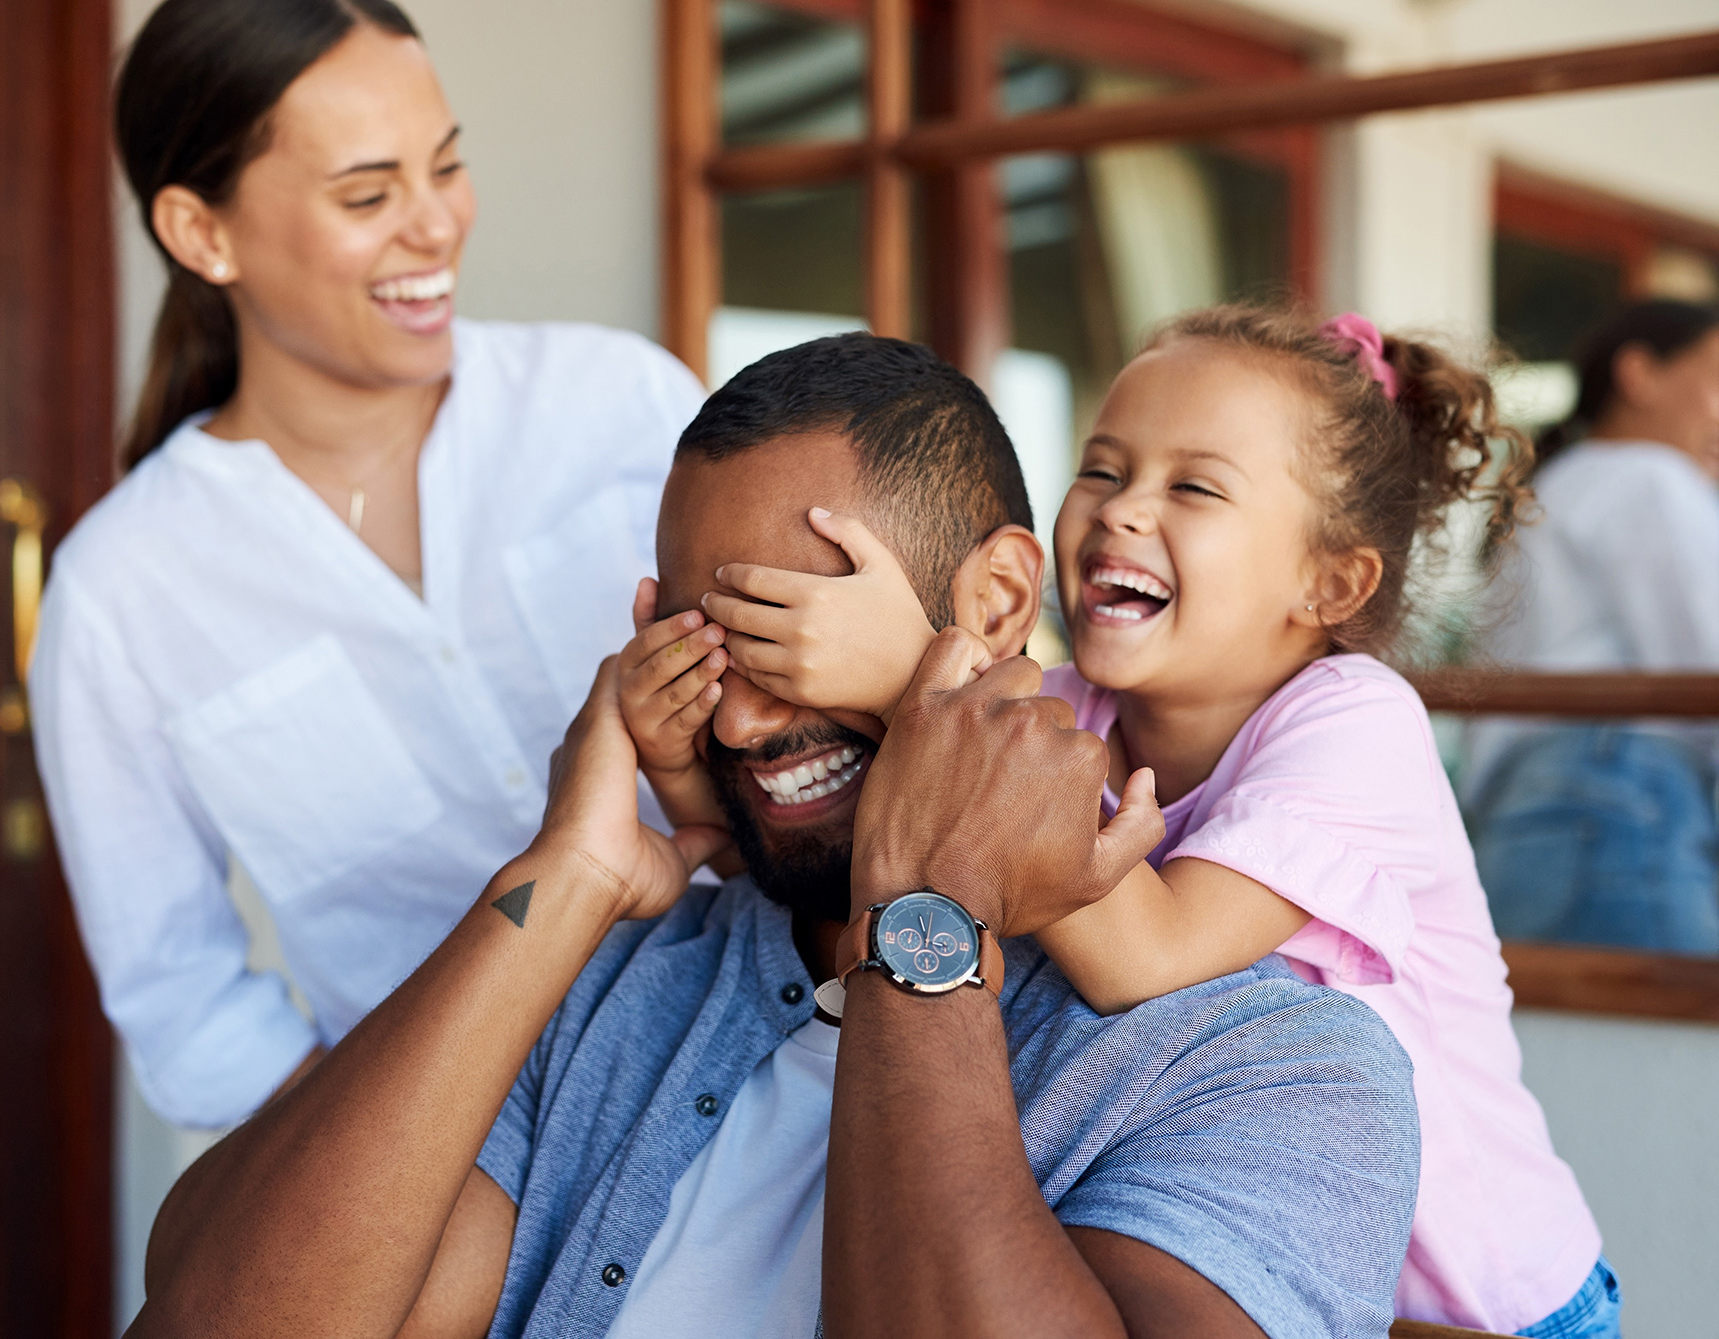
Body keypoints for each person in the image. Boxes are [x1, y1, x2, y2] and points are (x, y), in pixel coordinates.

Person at [130, 335, 1421, 1339]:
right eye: (701, 648)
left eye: (786, 638)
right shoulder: (607, 985)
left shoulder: (1272, 1068)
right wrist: (561, 880)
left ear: (994, 602)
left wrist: (926, 914)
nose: (742, 719)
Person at [682, 315, 1614, 1335]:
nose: (1122, 509)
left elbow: (1146, 955)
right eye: (1102, 468)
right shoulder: (1065, 709)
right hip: (1250, 1256)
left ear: (1328, 583)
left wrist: (911, 675)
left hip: (1496, 1304)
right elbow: (873, 827)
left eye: (1193, 487)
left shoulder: (1357, 725)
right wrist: (685, 777)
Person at [31, 0, 705, 1126]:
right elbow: (183, 1001)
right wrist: (403, 1171)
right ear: (201, 233)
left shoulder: (619, 405)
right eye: (367, 195)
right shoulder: (122, 592)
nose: (435, 225)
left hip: (779, 1071)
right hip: (457, 1165)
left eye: (446, 167)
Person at [1462, 299, 1719, 953]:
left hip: (1523, 813)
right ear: (1640, 373)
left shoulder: (1556, 485)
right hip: (1621, 798)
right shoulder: (1650, 475)